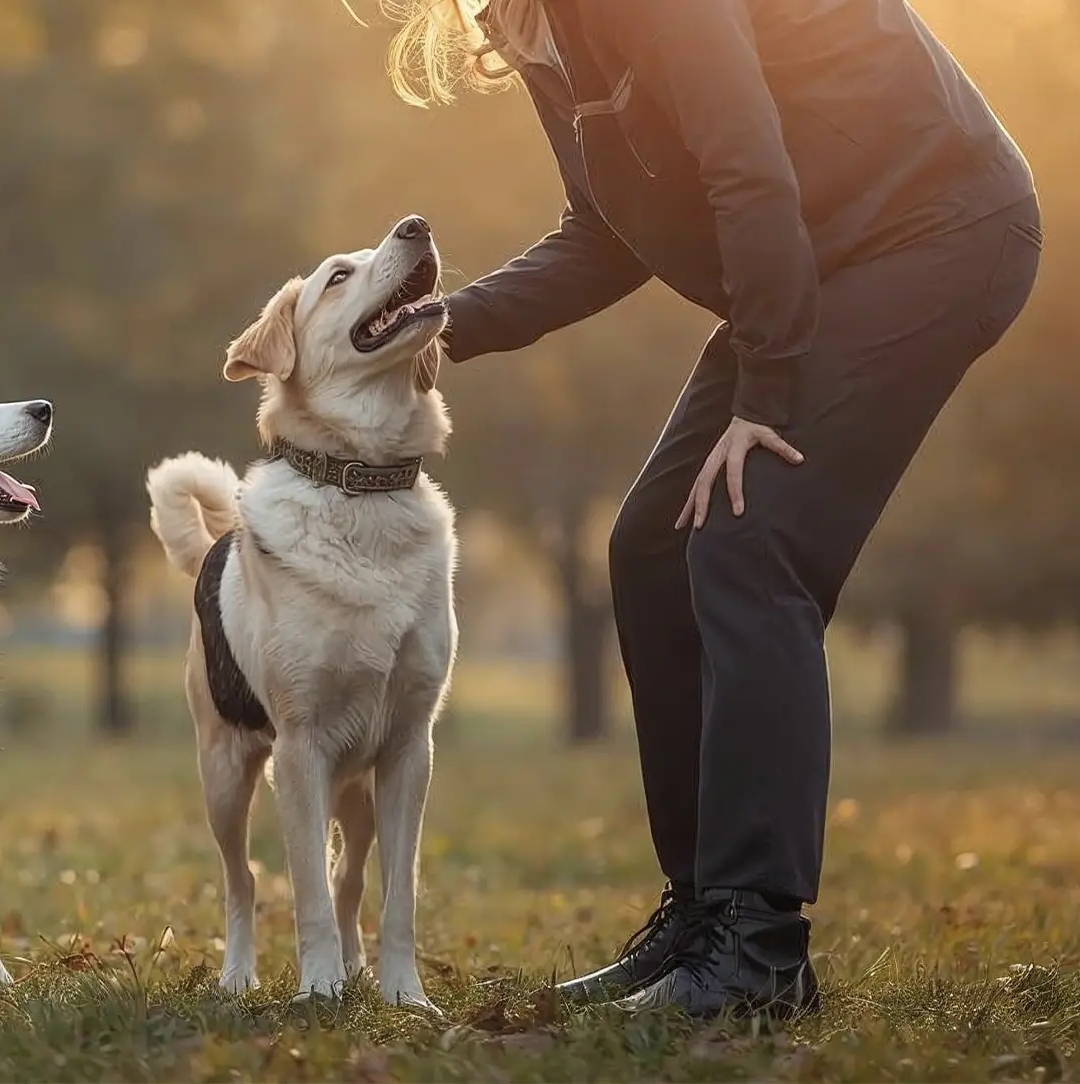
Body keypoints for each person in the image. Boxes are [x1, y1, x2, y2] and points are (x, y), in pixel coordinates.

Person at [390, 0, 1039, 1018]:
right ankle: (701, 919)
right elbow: (604, 233)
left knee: (746, 541)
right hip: (818, 253)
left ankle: (757, 954)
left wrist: (764, 394)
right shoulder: (536, 26)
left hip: (935, 232)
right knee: (651, 549)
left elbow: (747, 166)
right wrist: (436, 329)